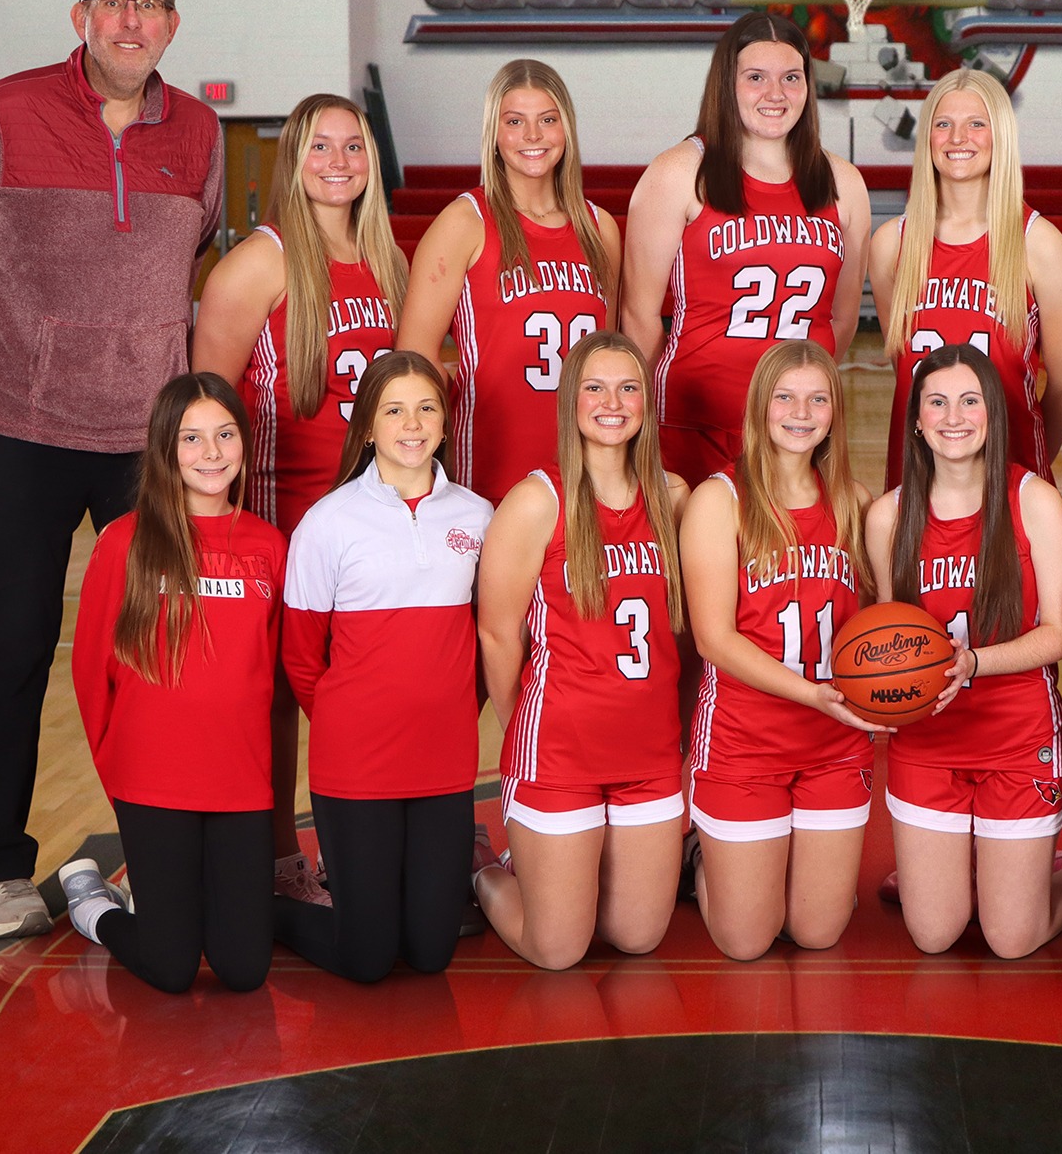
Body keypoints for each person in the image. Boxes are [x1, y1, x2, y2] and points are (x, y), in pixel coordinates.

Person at [0, 0, 221, 939]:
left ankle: (153, 854)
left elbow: (195, 251)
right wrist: (12, 341)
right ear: (82, 16)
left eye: (148, 6)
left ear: (172, 25)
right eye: (114, 4)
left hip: (145, 443)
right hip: (22, 433)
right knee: (14, 651)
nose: (130, 22)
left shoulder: (202, 133)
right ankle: (0, 870)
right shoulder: (3, 112)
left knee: (155, 654)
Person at [192, 92, 406, 905]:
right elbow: (205, 407)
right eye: (320, 147)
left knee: (364, 695)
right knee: (279, 696)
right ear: (293, 159)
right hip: (284, 521)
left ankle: (366, 846)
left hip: (374, 522)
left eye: (354, 146)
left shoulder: (391, 259)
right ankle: (280, 859)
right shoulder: (259, 262)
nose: (339, 162)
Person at [275, 352, 495, 983]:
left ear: (447, 421)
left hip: (444, 759)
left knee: (430, 954)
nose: (412, 422)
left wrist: (452, 709)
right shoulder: (329, 522)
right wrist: (352, 721)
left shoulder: (477, 518)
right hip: (356, 763)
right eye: (393, 409)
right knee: (367, 959)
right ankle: (265, 914)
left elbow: (489, 640)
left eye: (426, 407)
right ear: (367, 426)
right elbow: (300, 654)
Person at [60, 373, 283, 993]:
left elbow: (272, 671)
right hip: (152, 781)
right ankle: (96, 907)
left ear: (245, 441)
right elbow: (89, 672)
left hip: (238, 780)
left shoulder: (268, 546)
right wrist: (118, 773)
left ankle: (174, 901)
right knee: (172, 967)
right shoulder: (126, 542)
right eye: (191, 438)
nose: (211, 454)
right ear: (164, 448)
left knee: (243, 969)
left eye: (224, 435)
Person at [474, 332, 691, 970]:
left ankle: (558, 870)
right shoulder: (536, 501)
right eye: (594, 388)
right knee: (559, 949)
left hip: (649, 753)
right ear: (570, 401)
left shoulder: (672, 499)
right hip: (559, 754)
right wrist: (524, 728)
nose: (612, 403)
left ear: (647, 402)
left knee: (637, 934)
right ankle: (485, 867)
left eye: (628, 388)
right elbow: (497, 632)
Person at [867, 345, 1062, 958]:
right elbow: (886, 640)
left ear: (993, 415)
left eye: (969, 401)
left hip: (1017, 736)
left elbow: (1060, 634)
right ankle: (961, 867)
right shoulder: (888, 517)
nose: (953, 417)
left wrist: (975, 662)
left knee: (1012, 939)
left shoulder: (1033, 500)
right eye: (936, 402)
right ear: (915, 420)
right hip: (929, 742)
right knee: (935, 935)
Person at [681, 341, 879, 960]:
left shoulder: (854, 501)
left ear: (834, 412)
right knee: (747, 941)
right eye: (785, 397)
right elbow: (714, 638)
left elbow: (876, 626)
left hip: (836, 744)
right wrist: (814, 695)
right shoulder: (720, 499)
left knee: (817, 933)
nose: (801, 411)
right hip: (746, 739)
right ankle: (700, 858)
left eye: (818, 398)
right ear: (760, 408)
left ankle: (786, 869)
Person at [620, 11, 872, 484]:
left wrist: (798, 401)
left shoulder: (843, 183)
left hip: (795, 432)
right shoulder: (678, 172)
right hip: (696, 427)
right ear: (727, 84)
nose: (775, 94)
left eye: (791, 78)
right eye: (756, 77)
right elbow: (638, 315)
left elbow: (840, 319)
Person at [397, 58, 622, 503]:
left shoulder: (601, 228)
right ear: (494, 135)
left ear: (567, 129)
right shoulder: (465, 221)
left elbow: (611, 356)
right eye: (515, 121)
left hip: (584, 471)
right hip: (490, 470)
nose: (533, 136)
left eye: (548, 120)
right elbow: (413, 360)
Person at [869, 68, 1062, 487]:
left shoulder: (1037, 242)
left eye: (976, 124)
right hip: (917, 480)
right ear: (927, 138)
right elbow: (905, 369)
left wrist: (1026, 453)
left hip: (1010, 479)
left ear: (999, 135)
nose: (957, 138)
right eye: (943, 124)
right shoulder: (892, 244)